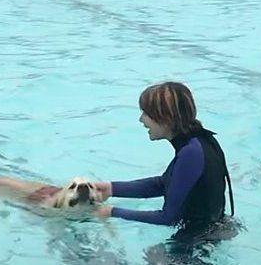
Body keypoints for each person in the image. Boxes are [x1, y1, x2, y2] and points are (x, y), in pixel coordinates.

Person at [93, 82, 234, 233]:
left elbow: (168, 218)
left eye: (146, 113)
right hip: (215, 229)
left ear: (165, 118)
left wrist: (111, 212)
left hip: (199, 242)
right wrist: (111, 188)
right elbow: (165, 184)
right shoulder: (201, 140)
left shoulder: (190, 153)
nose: (141, 119)